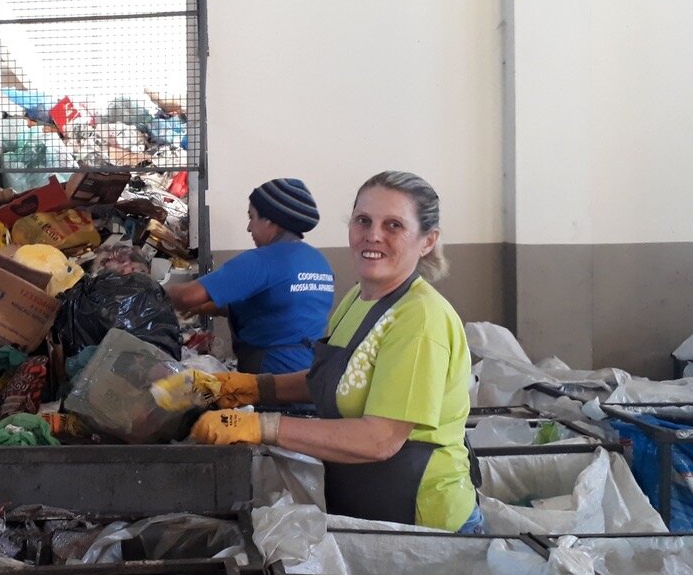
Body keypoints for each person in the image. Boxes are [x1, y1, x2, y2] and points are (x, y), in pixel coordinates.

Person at [182, 171, 479, 532]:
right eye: (363, 220)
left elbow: (380, 439)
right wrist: (244, 387)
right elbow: (332, 379)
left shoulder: (420, 319)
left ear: (427, 240)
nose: (373, 235)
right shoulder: (360, 297)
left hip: (425, 524)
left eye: (394, 225)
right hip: (368, 509)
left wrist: (261, 424)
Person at [166, 178, 334, 373]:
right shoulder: (318, 261)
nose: (248, 227)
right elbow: (273, 307)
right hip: (309, 373)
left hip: (272, 373)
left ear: (270, 220)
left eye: (251, 217)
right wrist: (205, 307)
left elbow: (188, 296)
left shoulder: (262, 260)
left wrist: (151, 290)